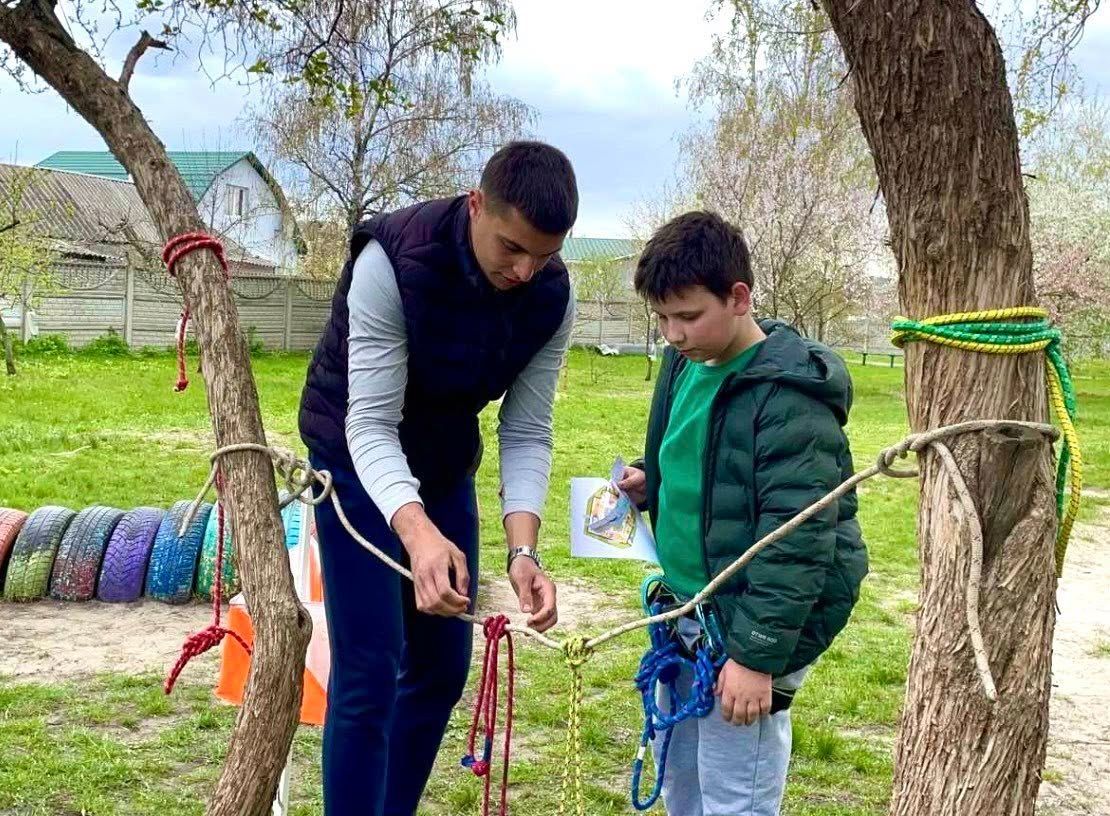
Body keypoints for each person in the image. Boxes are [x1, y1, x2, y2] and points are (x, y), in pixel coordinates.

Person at [298, 141, 578, 816]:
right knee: (369, 669)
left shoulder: (551, 294)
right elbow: (369, 425)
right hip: (350, 458)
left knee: (441, 667)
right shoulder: (391, 260)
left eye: (543, 254)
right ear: (476, 204)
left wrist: (524, 550)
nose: (525, 269)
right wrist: (417, 532)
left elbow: (527, 429)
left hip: (444, 459)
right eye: (512, 247)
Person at [617, 211, 868, 816]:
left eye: (687, 316)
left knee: (735, 798)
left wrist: (755, 657)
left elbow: (801, 541)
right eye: (662, 318)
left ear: (739, 297)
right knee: (683, 783)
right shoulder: (686, 365)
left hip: (745, 629)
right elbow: (712, 464)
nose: (673, 334)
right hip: (684, 613)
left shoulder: (789, 400)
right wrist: (655, 484)